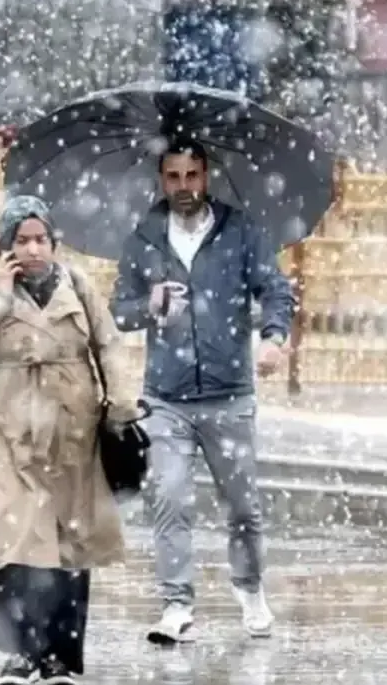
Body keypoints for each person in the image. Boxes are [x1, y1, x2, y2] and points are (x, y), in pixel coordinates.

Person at [109, 139, 297, 644]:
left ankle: (250, 588)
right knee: (169, 498)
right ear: (161, 179)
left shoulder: (239, 230)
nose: (184, 187)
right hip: (166, 398)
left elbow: (275, 289)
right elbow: (118, 311)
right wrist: (148, 304)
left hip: (229, 394)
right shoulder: (145, 237)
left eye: (192, 175)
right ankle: (176, 605)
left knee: (243, 506)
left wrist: (273, 337)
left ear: (207, 175)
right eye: (174, 176)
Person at [0, 195, 136, 685]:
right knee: (14, 539)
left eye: (41, 239)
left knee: (71, 542)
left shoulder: (78, 285)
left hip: (73, 429)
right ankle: (21, 650)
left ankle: (61, 655)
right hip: (9, 431)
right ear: (7, 245)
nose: (33, 249)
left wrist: (121, 401)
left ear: (53, 242)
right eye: (22, 240)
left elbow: (108, 344)